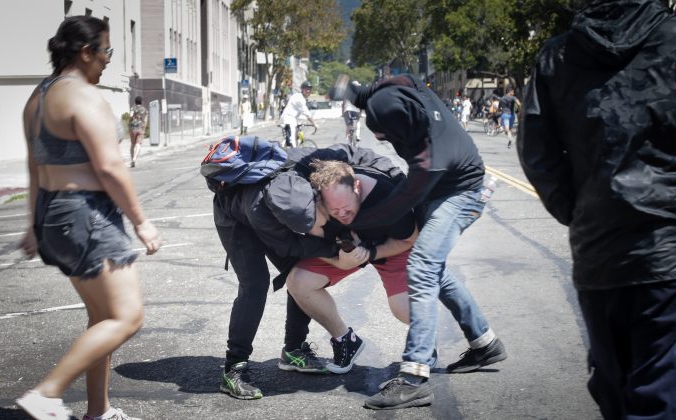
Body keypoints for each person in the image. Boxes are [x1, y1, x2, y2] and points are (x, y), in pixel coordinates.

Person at [518, 1, 676, 418]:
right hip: (671, 251)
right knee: (661, 383)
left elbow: (537, 154)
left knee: (615, 383)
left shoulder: (558, 54)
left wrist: (582, 213)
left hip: (600, 249)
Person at [16, 16, 161, 420]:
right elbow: (111, 167)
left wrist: (33, 224)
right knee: (127, 317)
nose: (108, 61)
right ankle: (47, 393)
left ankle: (98, 411)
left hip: (54, 214)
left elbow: (34, 167)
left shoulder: (38, 98)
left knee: (101, 318)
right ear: (86, 52)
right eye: (107, 51)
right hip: (87, 215)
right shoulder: (83, 96)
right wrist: (141, 222)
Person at [342, 74, 507, 410]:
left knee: (422, 266)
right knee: (435, 269)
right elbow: (374, 90)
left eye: (385, 133)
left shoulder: (431, 152)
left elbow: (398, 205)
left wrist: (357, 224)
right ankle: (485, 343)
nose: (377, 136)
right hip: (439, 190)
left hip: (462, 193)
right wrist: (349, 89)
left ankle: (415, 378)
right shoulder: (406, 91)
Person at [212, 143, 397, 399]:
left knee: (296, 272)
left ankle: (294, 350)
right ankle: (234, 368)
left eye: (321, 218)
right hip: (234, 215)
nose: (324, 226)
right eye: (313, 227)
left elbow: (351, 152)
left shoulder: (307, 165)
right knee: (255, 285)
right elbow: (291, 246)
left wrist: (395, 174)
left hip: (273, 208)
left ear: (317, 194)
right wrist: (334, 254)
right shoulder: (264, 214)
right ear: (292, 222)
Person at [287, 159, 417, 374]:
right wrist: (339, 259)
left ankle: (424, 342)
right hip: (347, 249)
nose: (342, 214)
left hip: (389, 245)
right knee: (299, 281)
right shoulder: (316, 206)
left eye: (347, 208)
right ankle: (346, 340)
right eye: (335, 210)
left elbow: (409, 239)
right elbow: (312, 244)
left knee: (403, 309)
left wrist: (372, 253)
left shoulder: (384, 196)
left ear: (357, 187)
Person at [279, 81, 319, 147]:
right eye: (306, 89)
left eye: (309, 89)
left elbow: (299, 112)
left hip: (290, 119)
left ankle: (285, 149)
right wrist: (314, 124)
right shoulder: (299, 98)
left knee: (291, 139)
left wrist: (299, 123)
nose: (308, 91)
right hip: (288, 119)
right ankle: (291, 154)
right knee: (292, 142)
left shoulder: (299, 97)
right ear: (302, 89)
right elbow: (306, 113)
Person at [128, 95, 147, 168]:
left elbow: (130, 116)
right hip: (141, 128)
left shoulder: (132, 108)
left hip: (133, 128)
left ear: (135, 102)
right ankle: (134, 158)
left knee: (132, 144)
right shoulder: (144, 109)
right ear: (141, 102)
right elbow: (145, 120)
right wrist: (144, 127)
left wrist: (129, 125)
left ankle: (131, 160)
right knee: (138, 144)